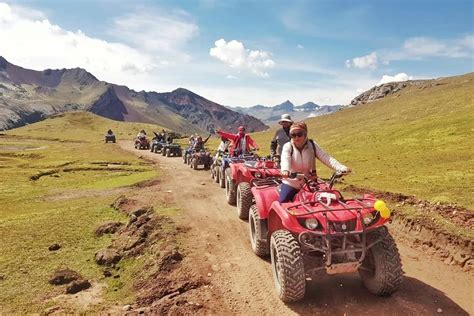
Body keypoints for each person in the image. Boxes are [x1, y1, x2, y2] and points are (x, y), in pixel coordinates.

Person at [279, 121, 351, 203]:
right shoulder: (288, 146)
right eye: (293, 135)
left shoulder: (312, 145)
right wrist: (285, 170)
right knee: (282, 201)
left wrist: (341, 168)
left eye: (299, 134)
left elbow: (326, 157)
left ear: (305, 134)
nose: (296, 137)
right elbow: (285, 159)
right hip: (292, 183)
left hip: (310, 183)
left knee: (330, 200)